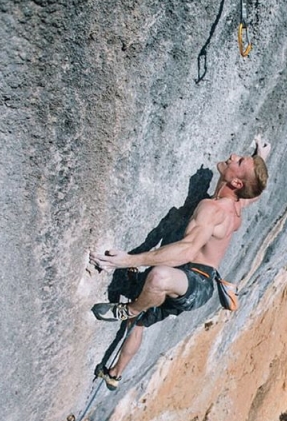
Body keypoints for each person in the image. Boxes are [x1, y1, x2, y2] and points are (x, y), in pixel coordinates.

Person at [88, 136, 270, 390]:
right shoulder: (236, 206)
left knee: (158, 278)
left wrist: (126, 261)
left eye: (238, 160)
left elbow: (186, 250)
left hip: (196, 282)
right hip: (191, 278)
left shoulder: (213, 209)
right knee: (140, 322)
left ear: (236, 181)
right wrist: (260, 156)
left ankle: (127, 309)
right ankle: (114, 375)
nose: (231, 155)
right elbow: (252, 195)